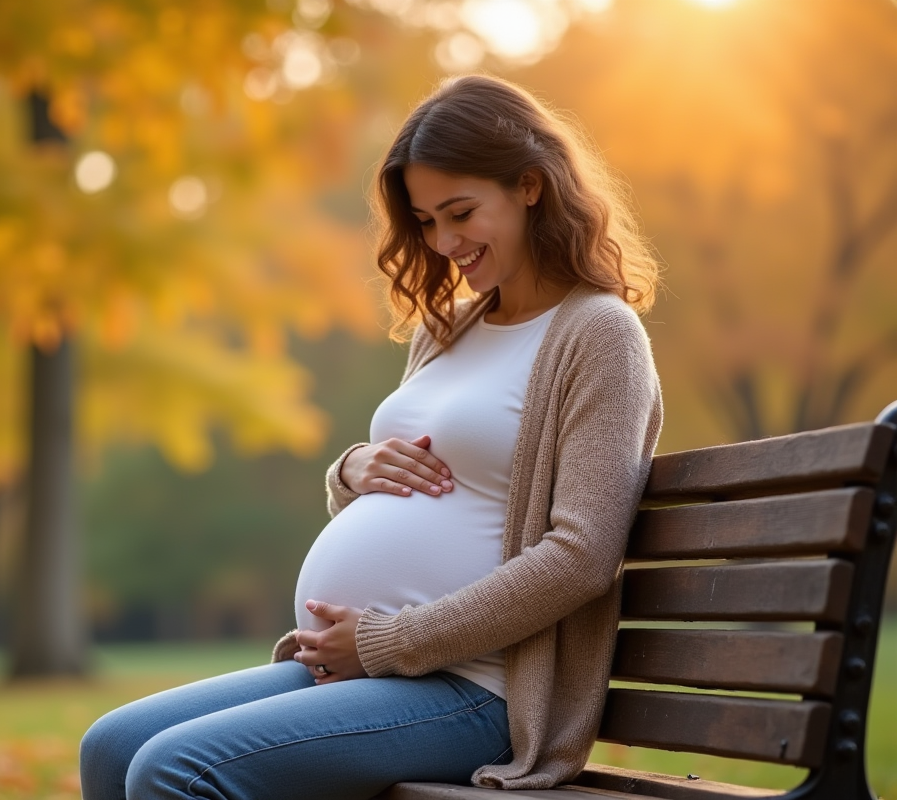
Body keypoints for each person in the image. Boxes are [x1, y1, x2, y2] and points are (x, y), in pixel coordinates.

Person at [79, 74, 663, 800]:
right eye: (424, 221)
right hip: (364, 665)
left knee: (174, 772)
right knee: (110, 749)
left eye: (461, 213)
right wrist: (351, 470)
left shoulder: (598, 334)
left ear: (531, 187)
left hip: (477, 688)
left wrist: (390, 640)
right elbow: (421, 469)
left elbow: (581, 557)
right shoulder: (450, 328)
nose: (445, 243)